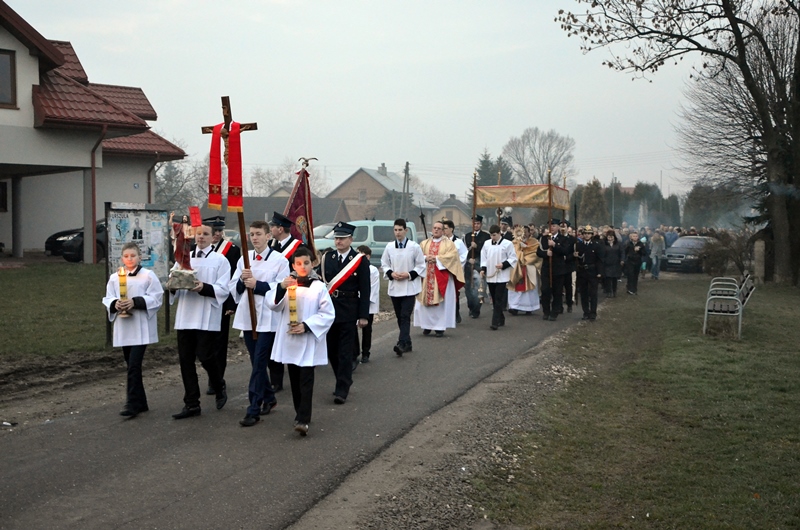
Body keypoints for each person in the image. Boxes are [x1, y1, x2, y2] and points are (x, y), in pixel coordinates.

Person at [267, 247, 335, 436]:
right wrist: (281, 288)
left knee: (306, 379)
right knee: (295, 380)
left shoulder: (318, 287)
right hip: (290, 339)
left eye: (306, 263)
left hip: (308, 339)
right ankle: (300, 413)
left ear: (312, 264)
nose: (302, 267)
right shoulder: (287, 284)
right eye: (298, 263)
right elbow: (272, 305)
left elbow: (328, 313)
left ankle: (303, 419)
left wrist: (306, 325)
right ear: (293, 265)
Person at [230, 220, 290, 427]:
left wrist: (258, 285)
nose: (254, 238)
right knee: (255, 361)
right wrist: (242, 280)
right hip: (249, 316)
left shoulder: (280, 260)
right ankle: (269, 398)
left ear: (268, 236)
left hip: (268, 318)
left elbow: (281, 288)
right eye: (252, 234)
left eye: (258, 234)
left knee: (259, 362)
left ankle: (253, 408)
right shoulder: (244, 259)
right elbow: (234, 288)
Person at [169, 223, 230, 420]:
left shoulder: (220, 260)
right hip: (186, 314)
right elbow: (173, 280)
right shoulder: (184, 257)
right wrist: (173, 285)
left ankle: (218, 384)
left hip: (206, 315)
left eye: (205, 234)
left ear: (213, 237)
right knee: (186, 360)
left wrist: (203, 287)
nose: (201, 237)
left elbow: (223, 289)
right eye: (198, 234)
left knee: (205, 356)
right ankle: (192, 403)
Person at [102, 242, 163, 418]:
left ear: (140, 257)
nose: (129, 259)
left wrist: (135, 302)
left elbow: (156, 297)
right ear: (122, 258)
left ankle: (131, 403)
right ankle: (141, 402)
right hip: (124, 327)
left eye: (133, 256)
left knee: (134, 365)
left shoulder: (148, 276)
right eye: (126, 256)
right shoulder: (115, 278)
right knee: (131, 365)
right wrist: (116, 303)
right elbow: (108, 297)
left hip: (141, 327)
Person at [318, 222, 370, 404]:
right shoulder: (327, 258)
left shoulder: (359, 260)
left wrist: (363, 315)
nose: (338, 241)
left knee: (345, 351)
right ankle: (343, 378)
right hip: (329, 309)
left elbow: (365, 289)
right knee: (331, 350)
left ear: (351, 240)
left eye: (342, 238)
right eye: (336, 238)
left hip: (349, 309)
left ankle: (342, 388)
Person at [267, 212, 304, 391]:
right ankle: (276, 379)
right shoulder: (270, 246)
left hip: (293, 297)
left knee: (291, 335)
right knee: (273, 338)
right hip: (275, 296)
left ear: (280, 229)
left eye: (272, 227)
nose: (270, 229)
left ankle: (298, 373)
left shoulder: (298, 247)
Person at [205, 216, 241, 396]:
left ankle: (217, 379)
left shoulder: (232, 250)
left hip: (222, 302)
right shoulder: (198, 250)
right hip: (203, 301)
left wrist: (231, 303)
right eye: (214, 231)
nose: (217, 234)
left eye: (220, 230)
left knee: (219, 343)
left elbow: (234, 279)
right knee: (206, 343)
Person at [381, 218, 425, 356]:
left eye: (400, 230)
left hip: (409, 287)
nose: (398, 233)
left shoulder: (414, 247)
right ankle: (407, 342)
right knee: (400, 316)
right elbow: (384, 263)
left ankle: (401, 343)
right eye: (395, 230)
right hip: (395, 286)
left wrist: (409, 274)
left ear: (406, 230)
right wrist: (391, 273)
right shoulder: (389, 247)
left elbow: (421, 265)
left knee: (405, 315)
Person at [414, 220, 465, 337]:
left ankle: (439, 327)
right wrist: (426, 258)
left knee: (441, 304)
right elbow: (417, 256)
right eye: (434, 228)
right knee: (424, 303)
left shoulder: (449, 244)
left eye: (439, 228)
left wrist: (436, 259)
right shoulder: (424, 243)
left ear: (443, 231)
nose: (436, 230)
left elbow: (453, 257)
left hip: (441, 277)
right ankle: (426, 325)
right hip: (426, 277)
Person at [480, 225, 517, 330]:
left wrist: (504, 265)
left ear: (499, 233)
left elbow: (513, 258)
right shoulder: (487, 244)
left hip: (502, 275)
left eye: (494, 235)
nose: (493, 237)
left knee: (498, 298)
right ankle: (501, 317)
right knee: (494, 297)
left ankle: (494, 322)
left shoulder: (507, 244)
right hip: (491, 274)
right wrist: (483, 269)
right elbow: (484, 257)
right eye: (491, 235)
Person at [536, 219, 571, 321]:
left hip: (558, 269)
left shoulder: (563, 239)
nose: (551, 227)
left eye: (554, 225)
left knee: (557, 291)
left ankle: (554, 311)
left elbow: (566, 251)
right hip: (546, 268)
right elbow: (538, 252)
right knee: (545, 290)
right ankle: (546, 311)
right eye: (550, 225)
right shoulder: (543, 238)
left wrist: (555, 245)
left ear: (558, 227)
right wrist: (546, 253)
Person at [508, 224, 541, 315]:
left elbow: (535, 255)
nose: (524, 234)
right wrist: (519, 249)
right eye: (522, 232)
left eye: (526, 232)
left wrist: (524, 254)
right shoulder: (514, 243)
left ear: (530, 233)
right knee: (515, 289)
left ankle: (529, 307)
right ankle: (514, 307)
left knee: (528, 291)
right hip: (516, 269)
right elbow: (511, 254)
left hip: (529, 268)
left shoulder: (534, 242)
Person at [355, 245, 380, 364]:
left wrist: (364, 302)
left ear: (368, 257)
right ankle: (354, 353)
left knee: (367, 329)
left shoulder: (373, 270)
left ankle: (365, 352)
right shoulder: (353, 268)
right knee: (352, 329)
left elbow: (372, 288)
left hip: (367, 303)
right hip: (355, 302)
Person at [463, 215, 491, 319]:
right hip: (469, 265)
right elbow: (463, 251)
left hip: (479, 265)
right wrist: (468, 259)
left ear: (481, 224)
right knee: (468, 289)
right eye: (474, 223)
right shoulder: (467, 236)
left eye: (478, 223)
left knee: (478, 288)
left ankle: (476, 309)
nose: (476, 225)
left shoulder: (486, 236)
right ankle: (471, 306)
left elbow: (487, 251)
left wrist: (477, 247)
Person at [441, 219, 468, 324]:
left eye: (445, 228)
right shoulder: (441, 241)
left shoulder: (458, 242)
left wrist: (455, 264)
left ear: (451, 229)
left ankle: (456, 313)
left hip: (454, 271)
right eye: (443, 229)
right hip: (442, 270)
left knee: (454, 292)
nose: (444, 231)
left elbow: (464, 255)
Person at [576, 226, 602, 320]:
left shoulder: (596, 245)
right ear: (582, 235)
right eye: (585, 234)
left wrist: (599, 272)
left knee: (593, 293)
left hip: (592, 271)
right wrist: (576, 256)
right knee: (584, 293)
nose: (587, 235)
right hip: (582, 271)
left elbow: (600, 259)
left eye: (589, 234)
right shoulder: (579, 245)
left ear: (592, 235)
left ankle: (593, 312)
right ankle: (586, 312)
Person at [599, 230, 625, 297]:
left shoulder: (618, 244)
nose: (610, 238)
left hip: (616, 263)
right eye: (609, 237)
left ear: (614, 237)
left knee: (614, 278)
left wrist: (622, 260)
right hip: (607, 264)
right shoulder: (603, 244)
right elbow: (601, 253)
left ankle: (614, 291)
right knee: (608, 278)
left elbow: (622, 252)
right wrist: (602, 261)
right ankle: (609, 291)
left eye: (611, 237)